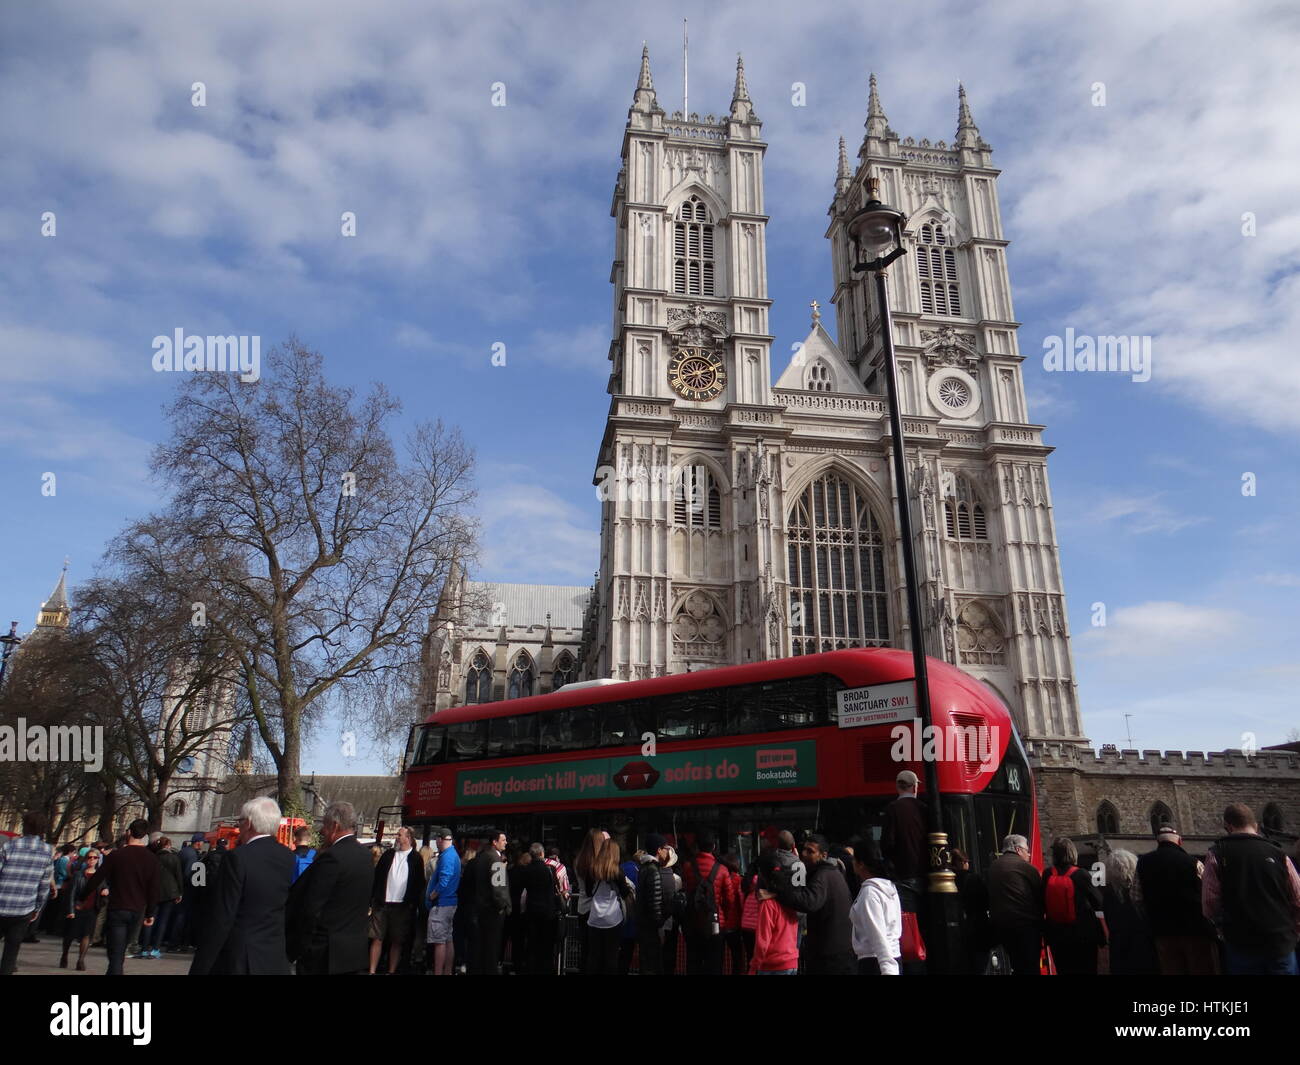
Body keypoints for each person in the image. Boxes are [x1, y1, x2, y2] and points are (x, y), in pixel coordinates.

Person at [190, 797, 294, 975]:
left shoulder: (237, 857)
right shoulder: (287, 856)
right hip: (273, 953)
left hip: (240, 955)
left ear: (250, 823)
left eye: (240, 821)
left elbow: (223, 914)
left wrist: (201, 964)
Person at [1203, 803, 1300, 975]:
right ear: (1255, 825)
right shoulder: (1279, 853)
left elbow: (1210, 902)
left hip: (1241, 942)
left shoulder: (1217, 854)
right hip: (1280, 941)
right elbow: (1297, 897)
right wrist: (1295, 929)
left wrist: (1220, 928)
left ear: (1228, 826)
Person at [286, 801, 374, 975]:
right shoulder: (365, 855)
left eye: (324, 826)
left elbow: (312, 908)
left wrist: (298, 947)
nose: (322, 832)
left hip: (325, 954)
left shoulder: (332, 857)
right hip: (355, 952)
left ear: (334, 826)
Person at [1134, 824, 1218, 975]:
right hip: (1195, 930)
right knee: (1200, 968)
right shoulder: (1194, 863)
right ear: (1179, 841)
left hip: (1162, 930)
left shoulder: (1142, 863)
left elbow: (1136, 898)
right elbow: (1208, 896)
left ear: (1158, 842)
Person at [83, 818, 158, 976]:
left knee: (115, 953)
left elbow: (97, 878)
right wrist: (150, 913)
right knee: (122, 948)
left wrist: (82, 896)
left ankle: (115, 971)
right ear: (144, 835)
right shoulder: (151, 858)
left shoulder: (117, 855)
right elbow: (153, 888)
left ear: (128, 832)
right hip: (137, 909)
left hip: (118, 906)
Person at [772, 832, 855, 975]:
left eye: (810, 851)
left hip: (829, 956)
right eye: (803, 849)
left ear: (823, 855)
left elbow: (809, 902)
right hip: (838, 952)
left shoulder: (822, 875)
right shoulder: (831, 873)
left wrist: (778, 893)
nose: (804, 854)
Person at [0, 811, 55, 976]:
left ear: (24, 826)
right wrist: (37, 908)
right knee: (12, 949)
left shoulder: (10, 845)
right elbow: (44, 884)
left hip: (2, 900)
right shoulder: (47, 851)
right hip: (24, 907)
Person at [1041, 837, 1104, 975]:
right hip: (1082, 937)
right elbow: (1099, 903)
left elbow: (1042, 903)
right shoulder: (1081, 874)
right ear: (1073, 853)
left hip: (1057, 936)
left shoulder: (1047, 874)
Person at [369, 825, 425, 975]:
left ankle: (391, 970)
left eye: (400, 835)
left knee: (397, 940)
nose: (397, 837)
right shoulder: (388, 855)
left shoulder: (415, 859)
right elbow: (377, 877)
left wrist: (413, 904)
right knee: (377, 938)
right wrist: (372, 899)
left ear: (408, 838)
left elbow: (419, 883)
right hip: (382, 903)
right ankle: (372, 970)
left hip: (402, 906)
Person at [681, 829, 738, 975]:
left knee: (693, 963)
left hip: (693, 922)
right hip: (715, 924)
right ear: (714, 846)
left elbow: (686, 891)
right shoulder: (723, 870)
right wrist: (721, 913)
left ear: (697, 846)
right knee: (714, 964)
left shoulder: (688, 867)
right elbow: (730, 900)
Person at [986, 834, 1042, 976]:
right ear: (1018, 850)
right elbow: (1040, 897)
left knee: (1016, 965)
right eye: (1026, 850)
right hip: (1026, 927)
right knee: (1030, 967)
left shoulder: (993, 867)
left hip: (1002, 928)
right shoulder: (1026, 868)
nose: (1029, 854)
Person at [1102, 849, 1157, 975]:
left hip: (1119, 947)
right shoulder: (1140, 889)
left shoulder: (1109, 894)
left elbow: (1110, 922)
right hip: (1143, 945)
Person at [850, 842, 902, 975]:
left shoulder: (870, 893)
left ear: (861, 863)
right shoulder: (889, 887)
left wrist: (888, 969)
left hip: (876, 962)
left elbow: (877, 934)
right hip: (892, 957)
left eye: (854, 859)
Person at [584, 838, 633, 975]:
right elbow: (624, 893)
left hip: (594, 917)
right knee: (611, 957)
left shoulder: (592, 870)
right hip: (613, 918)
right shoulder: (617, 871)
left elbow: (588, 892)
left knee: (594, 956)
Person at [882, 770, 927, 916]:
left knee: (908, 920)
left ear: (898, 787)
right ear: (914, 787)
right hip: (925, 873)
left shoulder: (892, 809)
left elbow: (887, 842)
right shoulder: (924, 808)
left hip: (903, 875)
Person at [748, 852, 799, 975]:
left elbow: (763, 940)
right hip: (791, 962)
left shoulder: (768, 904)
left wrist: (754, 966)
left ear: (763, 876)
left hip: (772, 965)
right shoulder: (792, 899)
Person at [472, 830, 510, 975]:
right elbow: (498, 888)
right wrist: (502, 907)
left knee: (484, 946)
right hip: (493, 911)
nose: (506, 842)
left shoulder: (483, 857)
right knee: (492, 948)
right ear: (495, 842)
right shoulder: (496, 859)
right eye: (503, 840)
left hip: (482, 908)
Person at [521, 841, 561, 974]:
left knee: (532, 944)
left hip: (532, 911)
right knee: (547, 945)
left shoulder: (526, 871)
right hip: (548, 912)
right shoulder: (549, 869)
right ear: (542, 853)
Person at [426, 827, 461, 976]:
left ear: (440, 840)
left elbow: (444, 879)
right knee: (448, 939)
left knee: (439, 942)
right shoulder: (453, 854)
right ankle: (447, 971)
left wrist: (432, 895)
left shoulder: (447, 856)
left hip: (442, 904)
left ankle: (438, 972)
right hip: (450, 903)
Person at [633, 834, 670, 975]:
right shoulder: (654, 870)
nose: (667, 851)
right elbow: (655, 904)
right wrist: (661, 921)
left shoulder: (644, 868)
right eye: (666, 848)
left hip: (643, 925)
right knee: (653, 965)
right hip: (651, 928)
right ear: (659, 850)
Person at [140, 836, 182, 958]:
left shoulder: (152, 858)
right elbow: (178, 876)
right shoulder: (174, 858)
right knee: (163, 921)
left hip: (153, 892)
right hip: (170, 892)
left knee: (150, 918)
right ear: (168, 845)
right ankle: (156, 948)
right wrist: (180, 892)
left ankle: (144, 947)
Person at [60, 848, 101, 971]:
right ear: (86, 859)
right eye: (90, 857)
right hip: (78, 908)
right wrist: (71, 910)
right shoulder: (78, 875)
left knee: (86, 935)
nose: (92, 860)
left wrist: (105, 891)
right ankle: (65, 954)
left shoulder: (100, 876)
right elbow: (71, 893)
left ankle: (81, 960)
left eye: (95, 858)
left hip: (91, 909)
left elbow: (104, 888)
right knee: (70, 935)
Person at [719, 851, 745, 975]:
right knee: (737, 958)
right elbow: (741, 903)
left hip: (719, 923)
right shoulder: (739, 880)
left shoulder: (717, 878)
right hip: (734, 924)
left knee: (718, 957)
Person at [507, 847, 531, 973]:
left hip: (510, 908)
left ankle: (503, 963)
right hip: (521, 910)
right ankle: (518, 965)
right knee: (519, 941)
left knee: (507, 938)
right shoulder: (526, 873)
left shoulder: (510, 871)